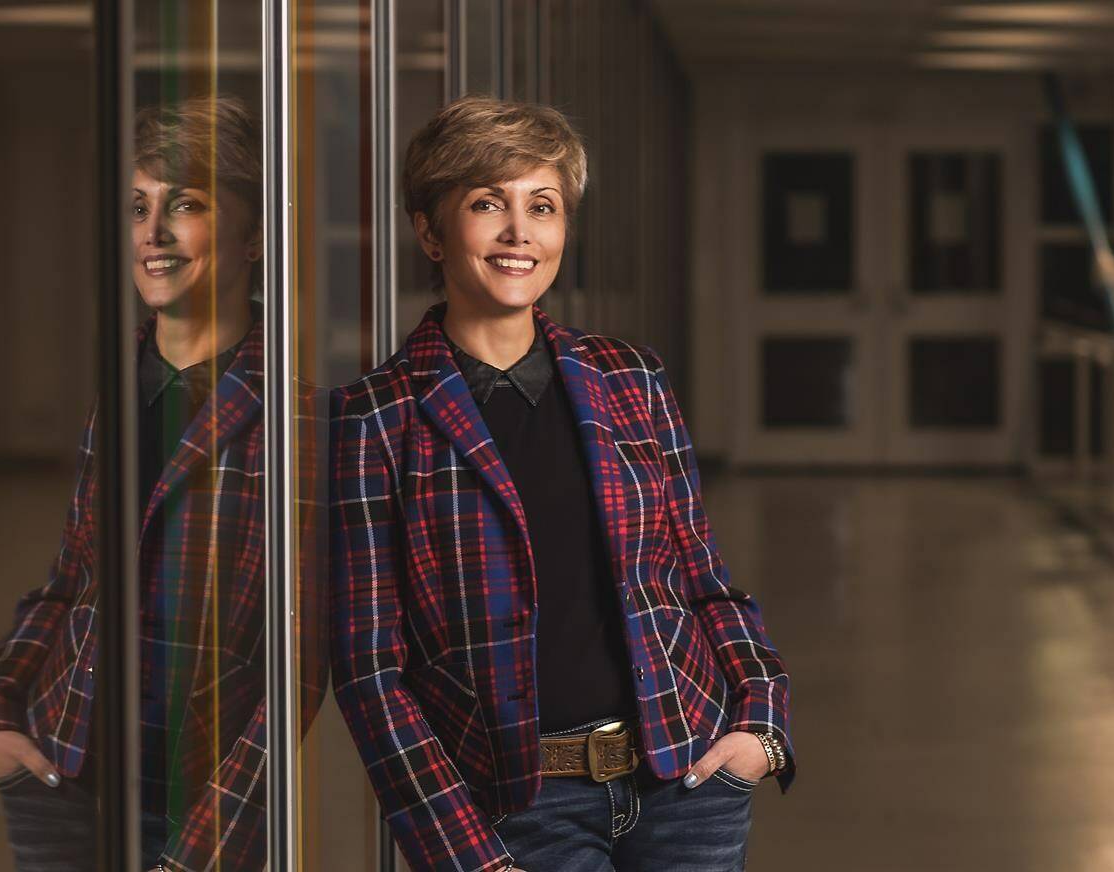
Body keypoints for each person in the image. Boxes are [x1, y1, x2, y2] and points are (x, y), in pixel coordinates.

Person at [329, 94, 793, 872]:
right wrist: (463, 854)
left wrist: (762, 722)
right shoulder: (375, 417)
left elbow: (704, 582)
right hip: (516, 805)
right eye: (487, 204)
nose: (520, 233)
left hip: (687, 776)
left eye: (542, 206)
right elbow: (371, 670)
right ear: (429, 232)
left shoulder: (630, 378)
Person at [0, 95, 324, 872]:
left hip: (200, 808)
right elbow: (71, 584)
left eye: (187, 205)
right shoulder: (124, 383)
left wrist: (203, 847)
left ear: (256, 235)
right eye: (139, 207)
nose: (153, 234)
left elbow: (297, 670)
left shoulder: (303, 414)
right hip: (59, 774)